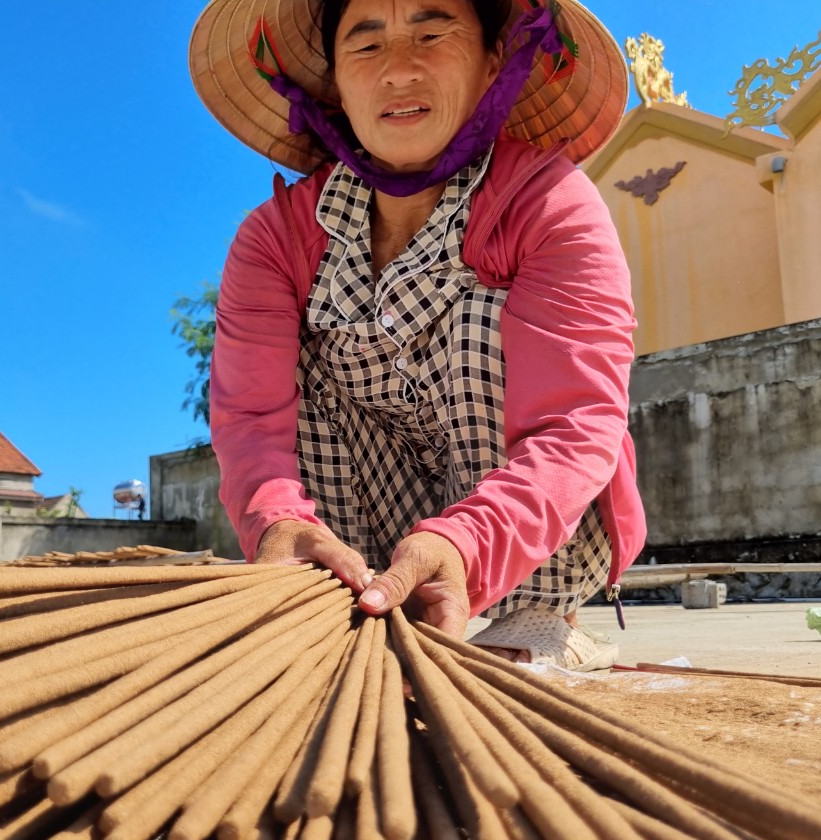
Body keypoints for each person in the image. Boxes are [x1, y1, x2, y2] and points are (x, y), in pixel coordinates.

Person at [189, 0, 646, 669]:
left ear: (493, 61)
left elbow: (574, 425)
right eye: (367, 46)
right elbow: (250, 421)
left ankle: (542, 617)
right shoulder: (273, 239)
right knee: (304, 361)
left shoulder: (550, 204)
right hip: (366, 525)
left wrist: (465, 544)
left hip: (539, 543)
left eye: (432, 34)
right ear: (335, 83)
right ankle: (348, 595)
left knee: (480, 315)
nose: (400, 70)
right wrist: (276, 524)